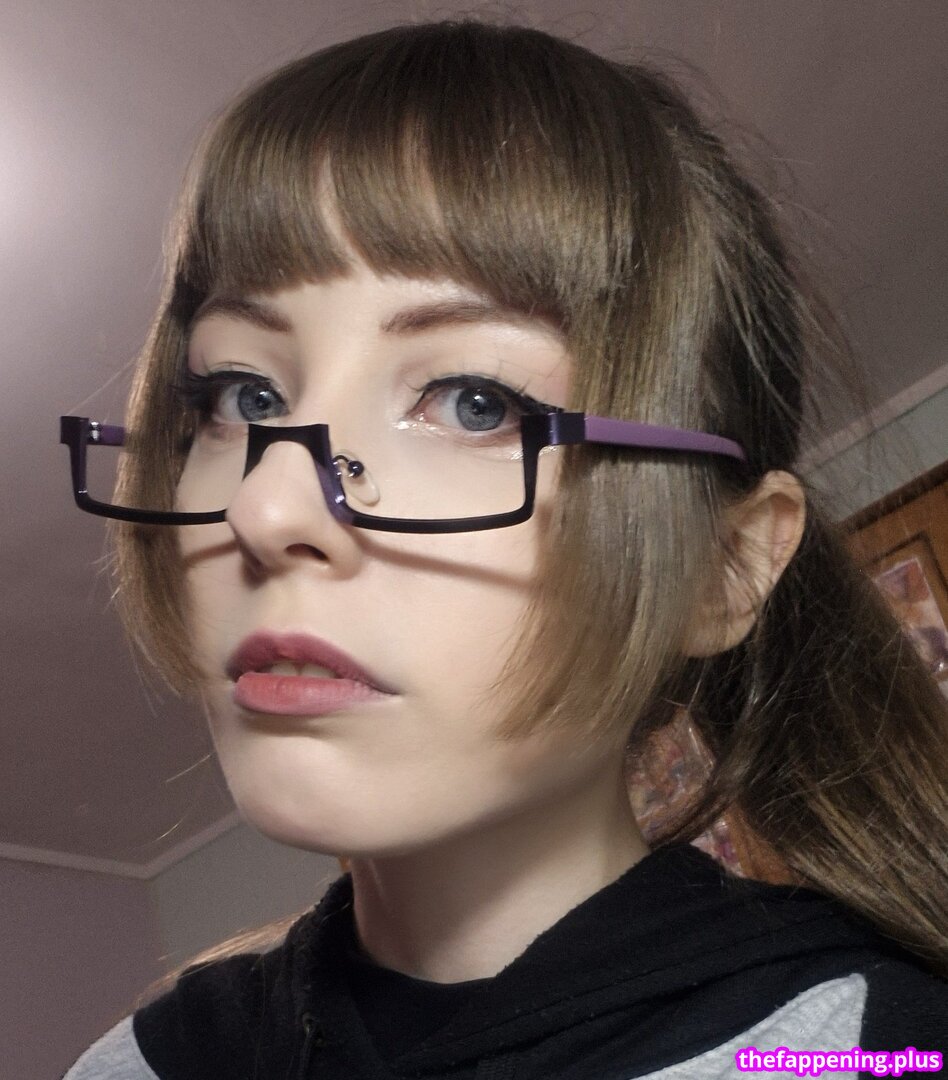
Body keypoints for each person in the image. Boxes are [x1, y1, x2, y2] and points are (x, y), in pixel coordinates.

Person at [61, 19, 947, 1080]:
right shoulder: (132, 1066)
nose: (267, 504)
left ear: (728, 567)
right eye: (241, 396)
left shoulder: (875, 1049)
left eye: (473, 401)